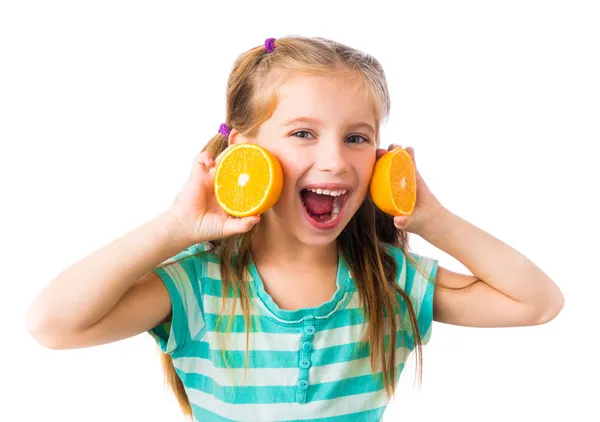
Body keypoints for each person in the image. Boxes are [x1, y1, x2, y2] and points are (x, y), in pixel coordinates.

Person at [26, 36, 564, 421]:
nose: (333, 161)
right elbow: (53, 324)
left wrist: (432, 219)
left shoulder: (391, 283)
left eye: (357, 138)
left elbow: (537, 302)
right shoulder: (198, 287)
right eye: (304, 132)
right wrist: (173, 229)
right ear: (244, 156)